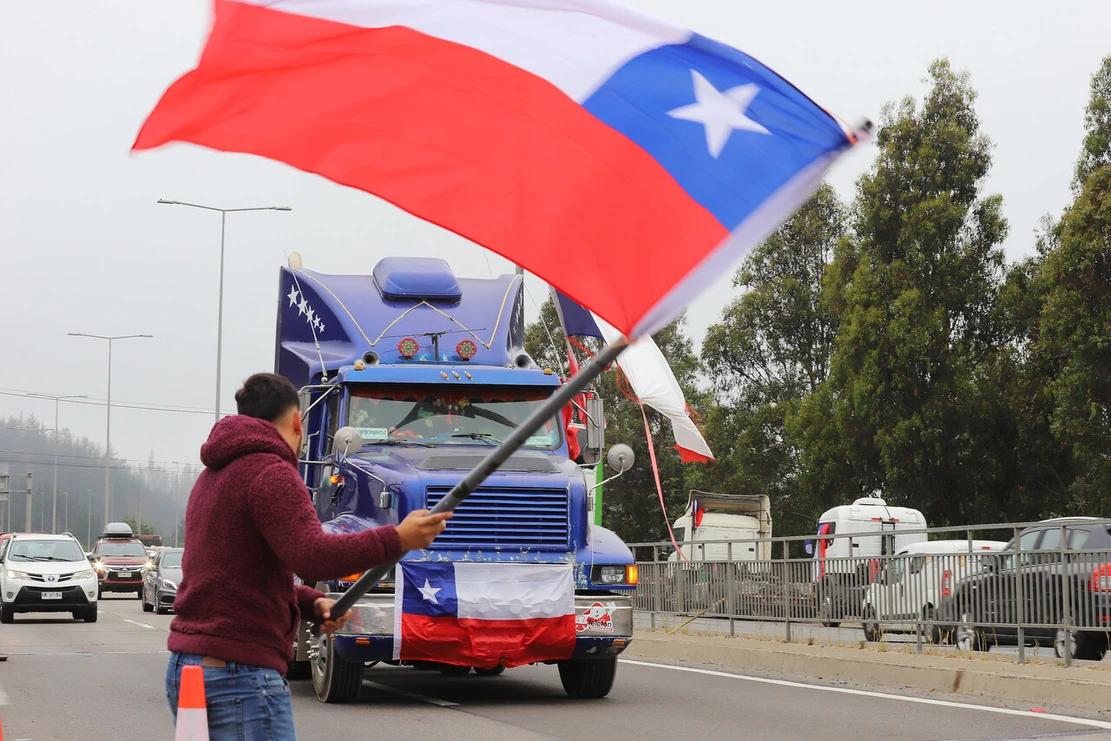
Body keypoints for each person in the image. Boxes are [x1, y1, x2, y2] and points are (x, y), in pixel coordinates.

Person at [165, 372, 450, 740]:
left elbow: (229, 579)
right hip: (238, 675)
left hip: (189, 668)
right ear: (298, 422)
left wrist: (310, 602)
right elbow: (312, 556)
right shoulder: (271, 471)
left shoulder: (211, 477)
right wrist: (396, 538)